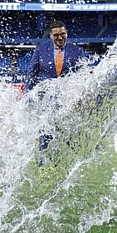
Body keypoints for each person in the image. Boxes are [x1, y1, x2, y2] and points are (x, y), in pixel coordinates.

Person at [26, 20, 89, 151]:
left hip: (67, 101)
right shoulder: (40, 50)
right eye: (56, 35)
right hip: (45, 102)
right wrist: (28, 96)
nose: (60, 37)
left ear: (66, 33)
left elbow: (84, 74)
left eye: (63, 34)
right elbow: (32, 74)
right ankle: (43, 161)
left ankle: (69, 161)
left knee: (69, 132)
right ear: (50, 35)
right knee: (45, 133)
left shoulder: (77, 51)